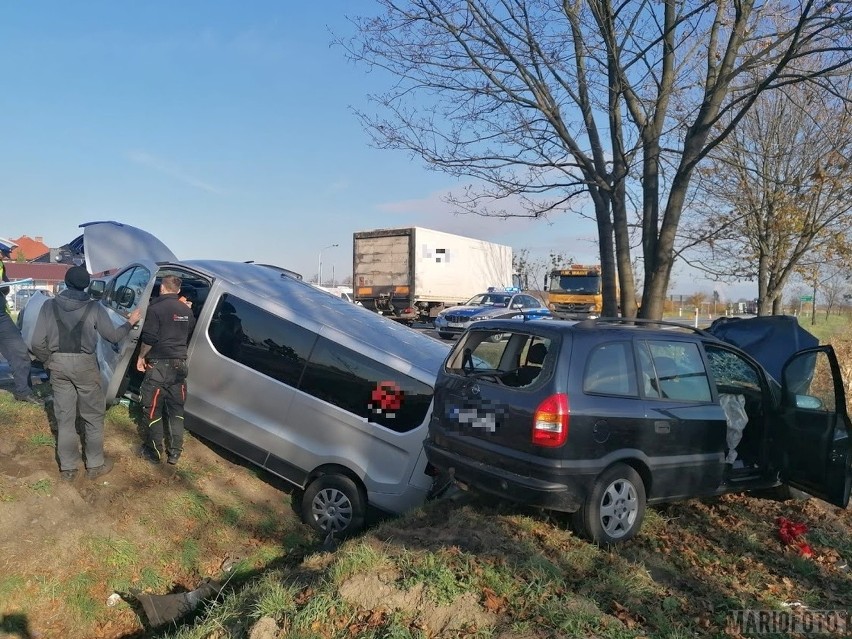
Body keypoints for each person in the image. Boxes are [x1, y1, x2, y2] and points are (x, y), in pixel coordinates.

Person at [30, 266, 142, 481]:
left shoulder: (48, 306)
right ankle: (94, 465)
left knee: (65, 418)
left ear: (65, 281)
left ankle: (69, 469)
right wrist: (130, 323)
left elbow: (36, 343)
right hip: (85, 366)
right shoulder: (95, 307)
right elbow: (113, 336)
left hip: (58, 365)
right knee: (92, 417)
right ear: (87, 285)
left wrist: (49, 361)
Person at [137, 275, 195, 465]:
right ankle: (175, 453)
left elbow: (149, 338)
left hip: (159, 365)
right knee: (176, 409)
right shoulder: (186, 310)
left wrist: (140, 357)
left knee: (152, 409)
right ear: (178, 291)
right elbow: (188, 330)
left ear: (162, 288)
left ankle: (154, 452)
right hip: (179, 365)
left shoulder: (155, 309)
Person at [0, 241, 42, 405]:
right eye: (3, 254)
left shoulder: (1, 265)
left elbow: (6, 287)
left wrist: (4, 286)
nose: (4, 258)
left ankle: (23, 391)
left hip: (1, 317)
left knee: (20, 352)